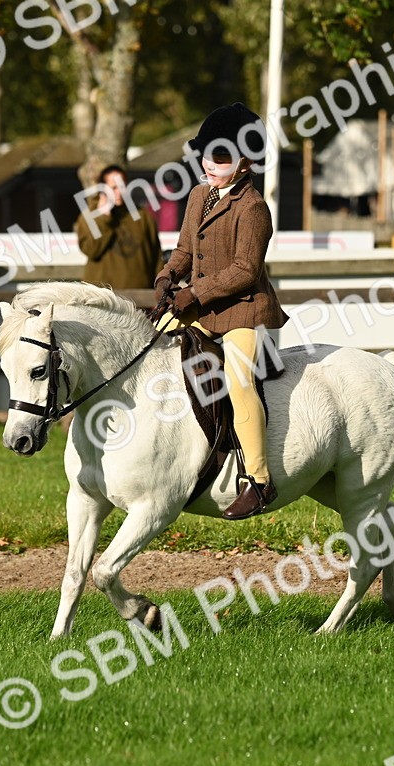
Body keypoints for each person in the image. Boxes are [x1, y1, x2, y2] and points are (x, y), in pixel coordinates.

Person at [154, 103, 288, 520]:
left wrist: (193, 294)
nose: (210, 164)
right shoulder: (198, 195)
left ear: (245, 163)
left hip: (243, 313)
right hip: (202, 308)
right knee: (149, 342)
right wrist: (166, 277)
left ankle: (259, 482)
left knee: (237, 379)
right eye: (206, 155)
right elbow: (185, 250)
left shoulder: (254, 209)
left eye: (222, 157)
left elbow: (245, 272)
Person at [75, 164, 162, 290]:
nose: (119, 192)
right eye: (114, 188)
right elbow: (91, 250)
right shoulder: (90, 215)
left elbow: (156, 256)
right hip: (101, 298)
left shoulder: (142, 215)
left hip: (141, 297)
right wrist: (104, 217)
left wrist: (160, 289)